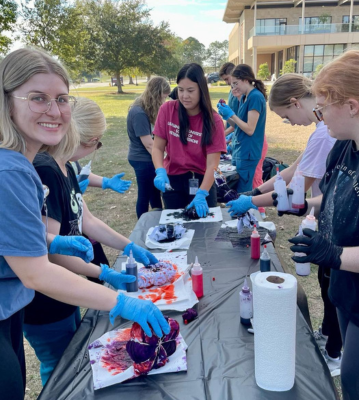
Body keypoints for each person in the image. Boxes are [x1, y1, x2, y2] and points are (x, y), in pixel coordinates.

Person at [0, 48, 169, 400]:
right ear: (7, 102)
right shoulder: (13, 169)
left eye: (61, 99)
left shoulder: (21, 166)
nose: (54, 110)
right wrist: (118, 299)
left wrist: (48, 242)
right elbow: (36, 274)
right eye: (37, 98)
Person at [287, 50, 359, 399]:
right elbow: (338, 196)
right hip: (349, 288)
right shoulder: (344, 143)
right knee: (353, 374)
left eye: (322, 109)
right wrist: (308, 205)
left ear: (352, 106)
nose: (319, 119)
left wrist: (334, 254)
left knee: (357, 381)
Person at [226, 73, 340, 374]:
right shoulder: (320, 129)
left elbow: (295, 191)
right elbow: (294, 168)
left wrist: (251, 202)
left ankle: (334, 351)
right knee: (326, 282)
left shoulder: (325, 132)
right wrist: (256, 191)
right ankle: (329, 335)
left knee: (332, 285)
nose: (290, 123)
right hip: (325, 212)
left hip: (330, 215)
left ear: (294, 102)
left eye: (286, 117)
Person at [152, 63, 226, 217]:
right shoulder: (167, 110)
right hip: (172, 179)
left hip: (202, 181)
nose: (184, 96)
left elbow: (213, 164)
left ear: (201, 90)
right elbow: (157, 147)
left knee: (205, 231)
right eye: (180, 90)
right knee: (174, 227)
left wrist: (202, 194)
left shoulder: (214, 121)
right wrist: (159, 171)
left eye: (190, 90)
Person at [217, 64, 267, 193]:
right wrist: (225, 115)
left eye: (236, 83)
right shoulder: (244, 97)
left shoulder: (255, 97)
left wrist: (231, 114)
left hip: (248, 151)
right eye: (232, 84)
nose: (234, 87)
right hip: (240, 149)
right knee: (236, 188)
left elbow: (250, 129)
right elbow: (237, 125)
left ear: (245, 79)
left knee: (243, 191)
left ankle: (250, 212)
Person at [127, 77, 170, 219]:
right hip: (142, 160)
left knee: (154, 192)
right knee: (145, 194)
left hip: (146, 159)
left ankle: (157, 218)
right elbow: (149, 144)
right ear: (155, 95)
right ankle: (143, 225)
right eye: (162, 98)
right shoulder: (139, 113)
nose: (163, 102)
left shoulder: (144, 108)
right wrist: (162, 162)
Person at [219, 62, 240, 137]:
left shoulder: (241, 94)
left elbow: (240, 122)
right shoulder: (231, 92)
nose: (226, 82)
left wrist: (223, 135)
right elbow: (228, 119)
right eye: (224, 80)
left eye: (227, 79)